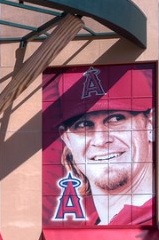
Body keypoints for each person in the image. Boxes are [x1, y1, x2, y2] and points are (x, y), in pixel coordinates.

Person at [45, 65, 154, 226]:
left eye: (117, 119)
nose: (101, 140)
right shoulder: (85, 234)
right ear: (66, 138)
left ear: (150, 124)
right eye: (83, 125)